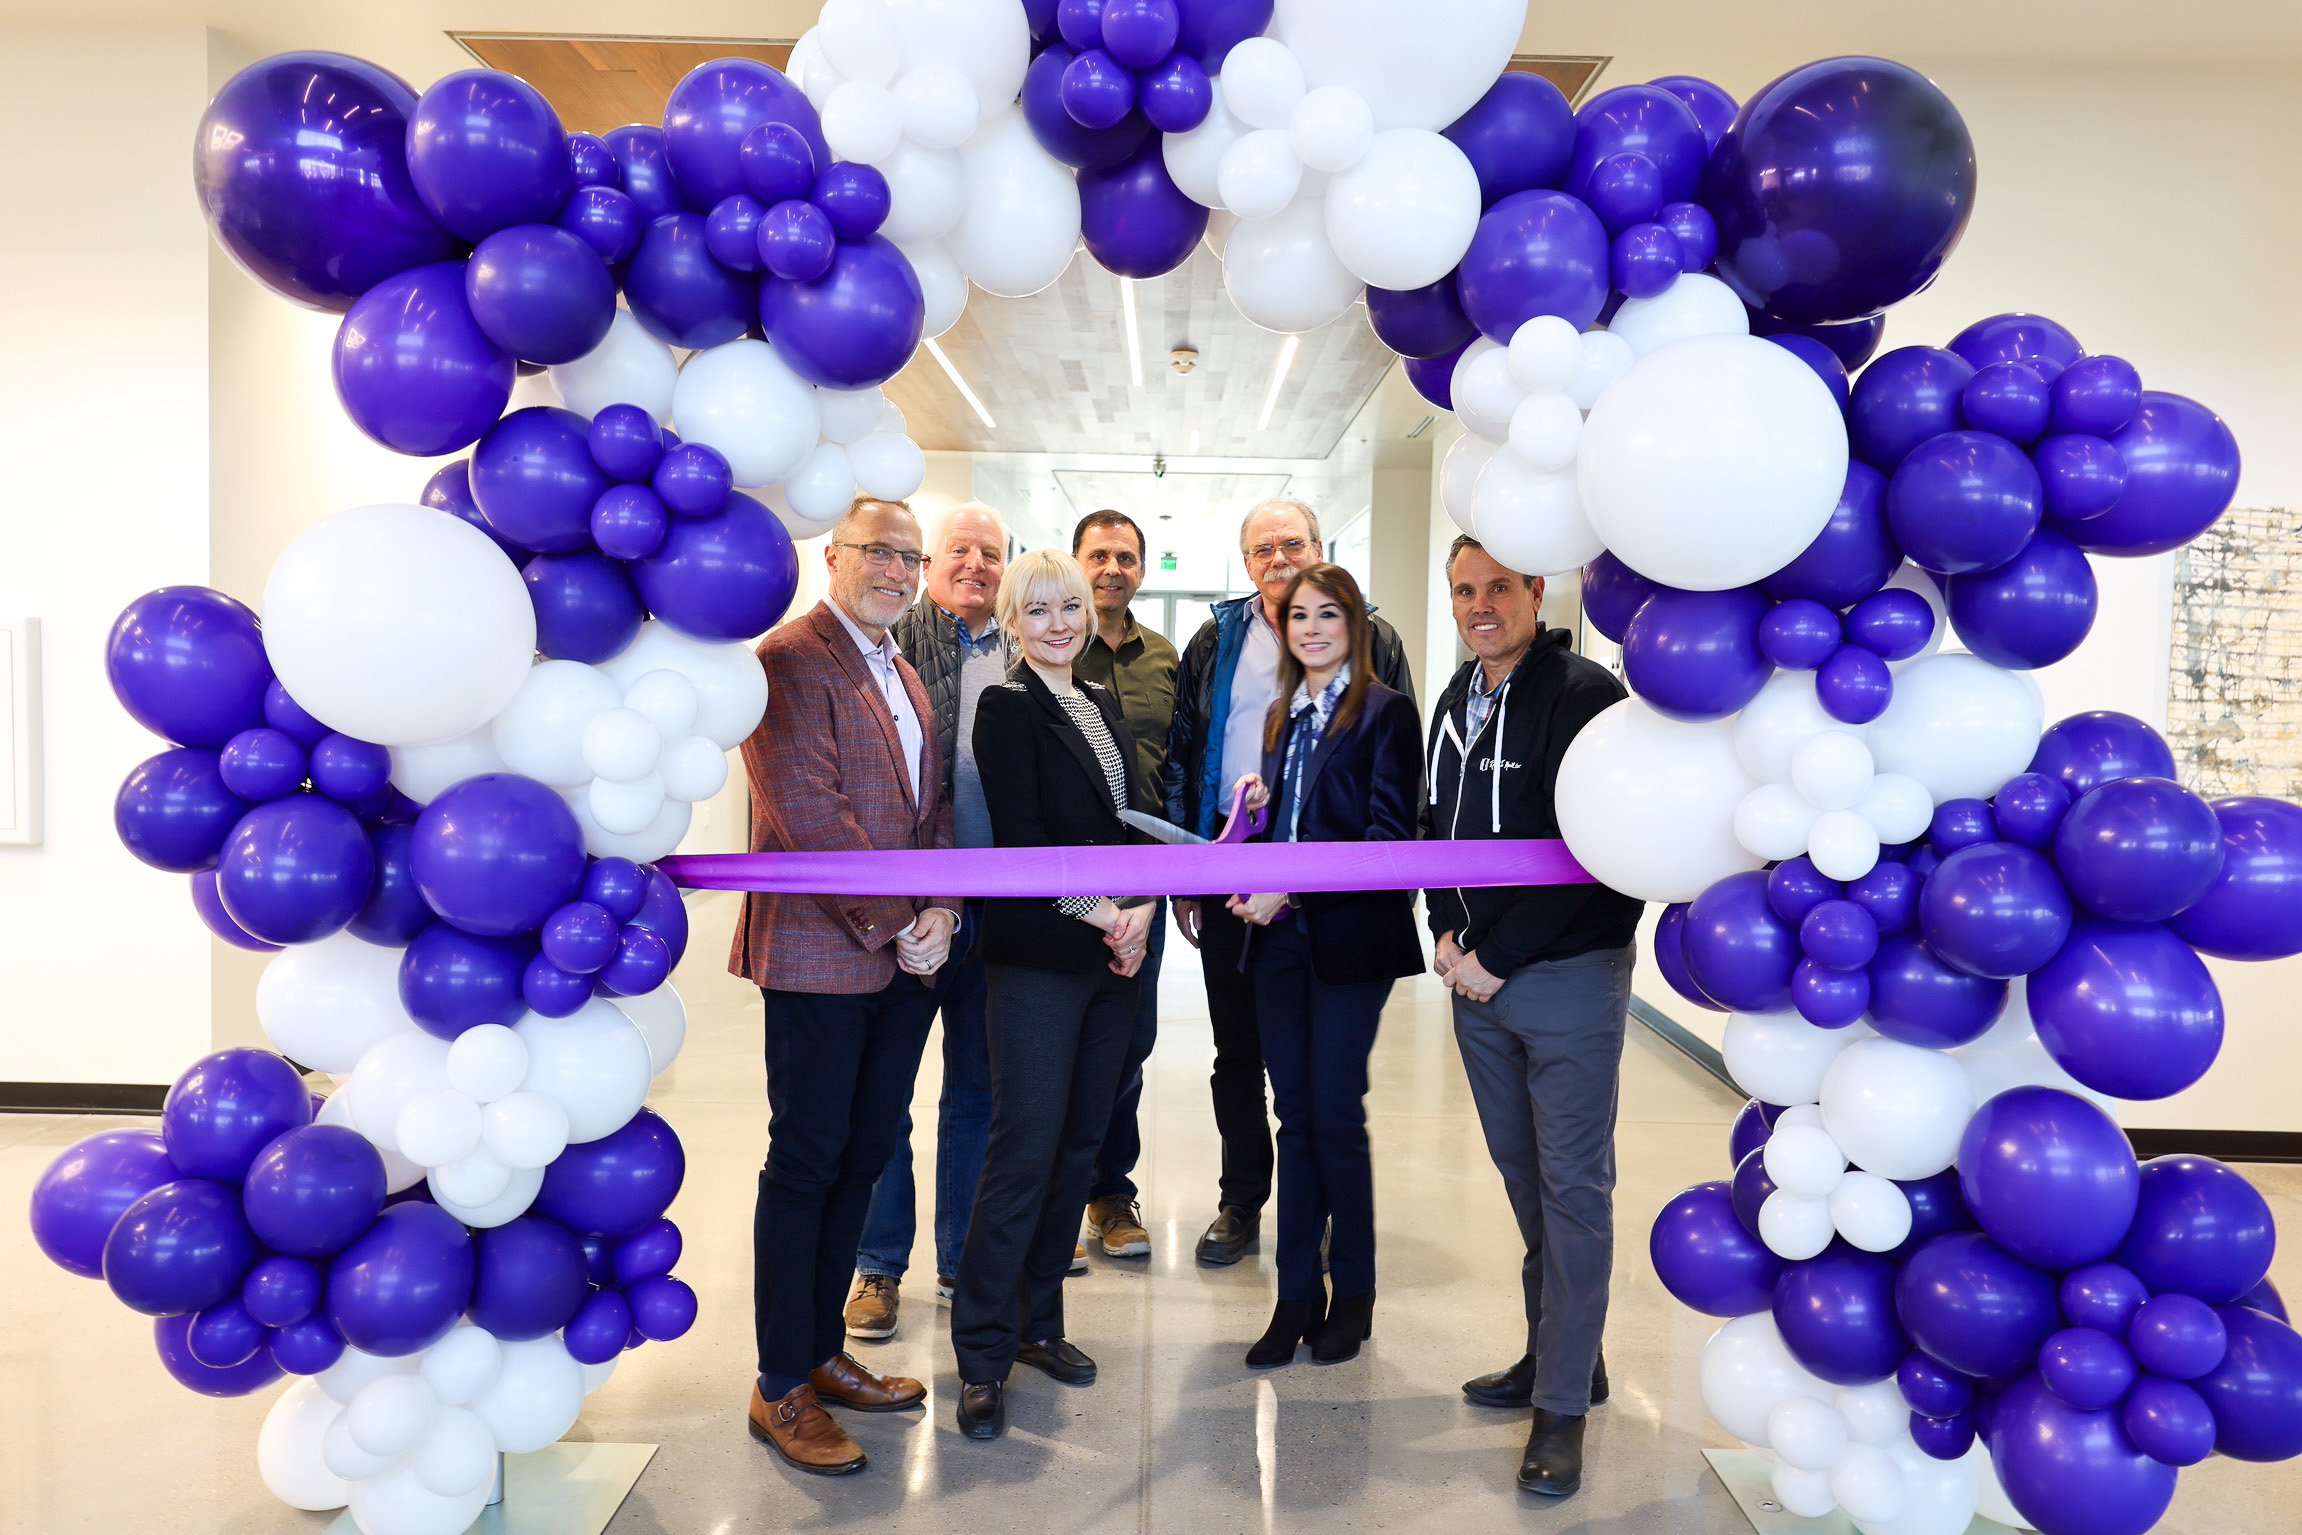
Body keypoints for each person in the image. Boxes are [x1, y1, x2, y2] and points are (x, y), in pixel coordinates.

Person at [735, 497, 962, 1477]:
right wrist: (901, 919)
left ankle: (824, 1351)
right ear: (833, 553)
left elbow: (934, 807)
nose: (896, 570)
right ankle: (779, 1378)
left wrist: (943, 909)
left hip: (904, 959)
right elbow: (808, 815)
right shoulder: (787, 659)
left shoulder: (903, 669)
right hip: (824, 957)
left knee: (866, 1151)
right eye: (879, 551)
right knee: (808, 1159)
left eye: (910, 558)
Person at [1420, 535, 1643, 1499]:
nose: (1480, 604)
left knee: (1572, 1189)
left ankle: (1560, 1410)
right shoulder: (1451, 701)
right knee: (1524, 1178)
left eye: (1497, 588)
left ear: (1534, 590)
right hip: (1476, 981)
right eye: (1465, 589)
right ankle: (1562, 1352)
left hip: (1563, 977)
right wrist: (1442, 930)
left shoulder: (1584, 696)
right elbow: (1434, 827)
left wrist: (1494, 957)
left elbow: (1600, 851)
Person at [1163, 498, 1414, 1266]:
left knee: (1321, 1074)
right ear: (1246, 564)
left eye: (1292, 542)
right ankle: (1243, 1201)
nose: (1278, 557)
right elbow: (1183, 752)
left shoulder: (1373, 640)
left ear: (1318, 547)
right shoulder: (1217, 640)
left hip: (1335, 891)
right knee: (1238, 1050)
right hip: (1234, 875)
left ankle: (1327, 1211)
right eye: (1262, 547)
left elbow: (1396, 780)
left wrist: (1389, 889)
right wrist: (1189, 874)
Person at [950, 548, 1156, 1442]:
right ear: (1015, 620)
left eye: (1069, 606)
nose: (1059, 623)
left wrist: (1141, 911)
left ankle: (1040, 1323)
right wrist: (1109, 914)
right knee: (1023, 1151)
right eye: (1037, 610)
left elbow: (1130, 826)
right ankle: (984, 1354)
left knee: (1078, 1147)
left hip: (1111, 960)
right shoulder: (1005, 706)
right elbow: (1027, 847)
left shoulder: (1102, 700)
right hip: (1040, 957)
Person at [1223, 564, 1423, 1369]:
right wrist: (1259, 815)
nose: (1310, 628)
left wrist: (1289, 886)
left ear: (1354, 626)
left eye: (1327, 614)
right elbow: (1297, 825)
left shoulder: (1386, 712)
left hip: (1345, 943)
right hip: (1278, 944)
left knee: (1335, 1114)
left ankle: (1356, 1294)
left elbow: (1387, 843)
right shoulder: (1280, 717)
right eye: (1298, 615)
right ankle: (1293, 1295)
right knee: (1294, 1115)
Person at [845, 502, 1012, 1341]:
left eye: (992, 553)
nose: (976, 564)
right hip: (908, 910)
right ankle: (878, 1265)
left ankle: (959, 1260)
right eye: (960, 550)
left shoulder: (1024, 641)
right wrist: (910, 908)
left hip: (997, 913)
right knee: (888, 1094)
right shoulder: (895, 639)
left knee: (978, 1092)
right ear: (927, 563)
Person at [1069, 508, 1179, 1262]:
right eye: (1099, 555)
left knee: (1128, 1038)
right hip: (1063, 875)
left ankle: (1110, 1191)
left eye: (1126, 556)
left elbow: (1181, 763)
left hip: (1144, 874)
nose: (1112, 568)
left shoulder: (1165, 657)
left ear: (1142, 569)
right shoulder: (1047, 641)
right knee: (1054, 1037)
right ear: (1078, 563)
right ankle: (1053, 1192)